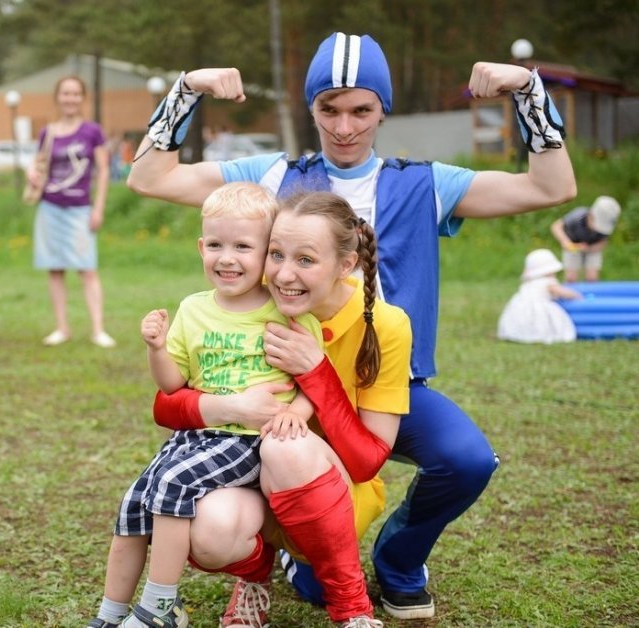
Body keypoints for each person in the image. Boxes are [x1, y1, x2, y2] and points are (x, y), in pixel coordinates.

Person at [128, 31, 576, 621]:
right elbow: (149, 179)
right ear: (310, 108)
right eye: (328, 109)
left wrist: (528, 91)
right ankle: (272, 558)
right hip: (286, 376)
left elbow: (554, 187)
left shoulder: (424, 183)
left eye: (361, 109)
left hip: (386, 380)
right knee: (307, 568)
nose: (344, 127)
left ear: (382, 110)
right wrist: (187, 90)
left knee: (467, 459)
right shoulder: (273, 174)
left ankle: (398, 560)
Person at [88, 183, 326, 628]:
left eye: (242, 246)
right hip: (193, 437)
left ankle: (160, 607)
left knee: (174, 486)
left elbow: (315, 377)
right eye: (215, 245)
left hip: (248, 441)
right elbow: (173, 384)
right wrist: (157, 348)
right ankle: (109, 614)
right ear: (201, 247)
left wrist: (299, 411)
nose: (227, 257)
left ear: (267, 253)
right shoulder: (194, 309)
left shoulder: (286, 313)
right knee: (134, 503)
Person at [26, 76, 114, 348]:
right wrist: (31, 173)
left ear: (82, 98)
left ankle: (98, 330)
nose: (70, 98)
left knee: (87, 269)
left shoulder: (92, 132)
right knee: (55, 269)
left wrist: (97, 208)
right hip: (51, 207)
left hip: (80, 209)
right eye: (66, 93)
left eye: (76, 94)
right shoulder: (47, 132)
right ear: (58, 97)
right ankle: (62, 328)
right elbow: (39, 165)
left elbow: (103, 171)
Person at [497, 248, 581, 344]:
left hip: (521, 307)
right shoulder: (549, 282)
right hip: (540, 307)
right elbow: (559, 291)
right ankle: (541, 334)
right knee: (543, 322)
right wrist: (575, 295)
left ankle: (519, 333)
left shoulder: (529, 281)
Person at [550, 195, 621, 282]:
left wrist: (590, 249)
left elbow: (603, 243)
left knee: (592, 278)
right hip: (572, 244)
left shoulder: (605, 228)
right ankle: (570, 293)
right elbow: (556, 226)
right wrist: (565, 242)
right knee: (571, 278)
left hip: (592, 247)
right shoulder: (578, 216)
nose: (598, 229)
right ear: (591, 214)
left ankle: (591, 294)